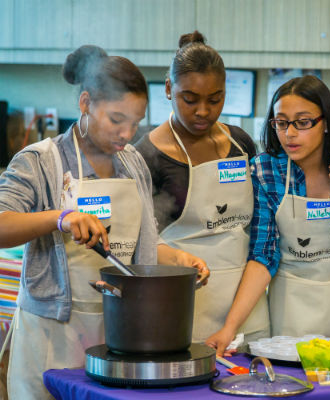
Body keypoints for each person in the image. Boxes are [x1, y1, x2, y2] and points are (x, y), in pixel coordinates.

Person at [0, 45, 208, 399]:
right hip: (53, 332)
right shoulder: (39, 160)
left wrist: (178, 260)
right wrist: (61, 218)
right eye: (116, 120)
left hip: (119, 333)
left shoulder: (133, 163)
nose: (127, 134)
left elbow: (145, 246)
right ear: (85, 103)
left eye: (135, 123)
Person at [206, 75, 330, 356]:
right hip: (293, 321)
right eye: (281, 122)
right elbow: (263, 256)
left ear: (325, 123)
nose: (290, 133)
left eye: (303, 122)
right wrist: (229, 328)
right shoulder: (266, 170)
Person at [135, 31, 269, 343]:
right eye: (190, 99)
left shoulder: (241, 143)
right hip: (181, 305)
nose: (203, 112)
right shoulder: (146, 155)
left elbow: (261, 228)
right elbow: (137, 243)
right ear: (169, 89)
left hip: (246, 306)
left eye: (215, 99)